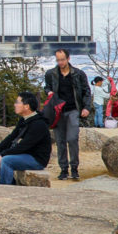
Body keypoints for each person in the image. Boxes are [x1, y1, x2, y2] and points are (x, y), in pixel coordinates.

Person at [43, 49, 92, 180]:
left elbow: (86, 91)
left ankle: (74, 168)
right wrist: (48, 92)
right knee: (60, 141)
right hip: (57, 111)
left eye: (62, 60)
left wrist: (86, 107)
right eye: (58, 60)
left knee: (72, 138)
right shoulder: (51, 74)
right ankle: (63, 169)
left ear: (68, 59)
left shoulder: (78, 74)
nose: (60, 62)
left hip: (73, 109)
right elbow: (47, 87)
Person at [0, 92, 51, 185]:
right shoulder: (24, 119)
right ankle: (12, 185)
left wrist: (4, 154)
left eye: (17, 102)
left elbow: (24, 146)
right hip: (26, 155)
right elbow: (12, 137)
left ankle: (5, 188)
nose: (15, 105)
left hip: (36, 159)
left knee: (5, 160)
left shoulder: (39, 124)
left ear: (26, 106)